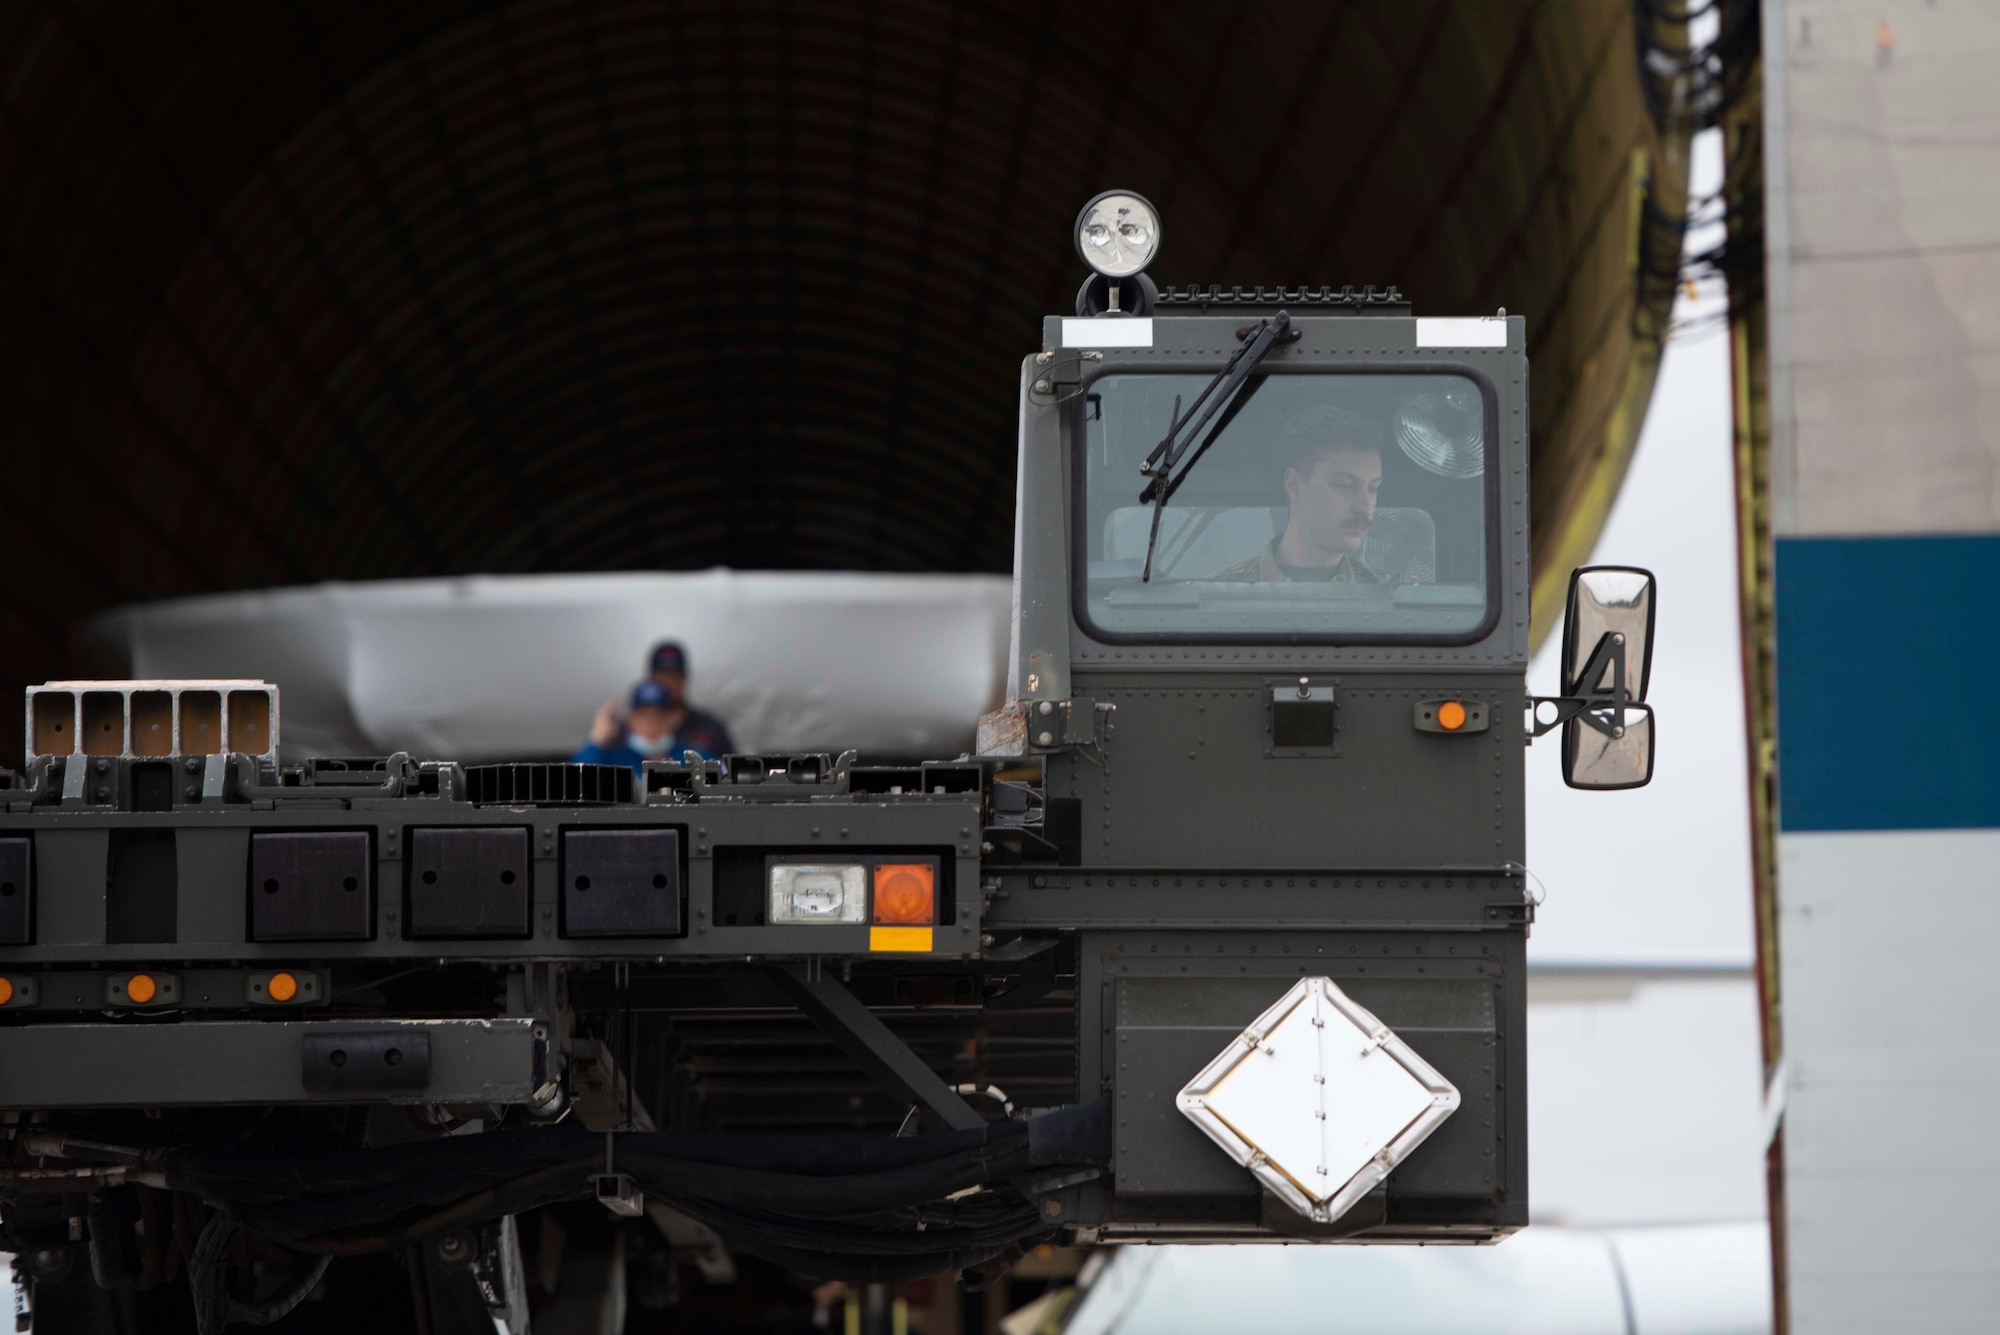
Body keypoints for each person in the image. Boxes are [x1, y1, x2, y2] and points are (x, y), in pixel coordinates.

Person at [1210, 406, 1385, 583]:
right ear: (1294, 486)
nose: (1364, 506)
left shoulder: (1397, 597)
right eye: (1345, 485)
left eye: (1373, 488)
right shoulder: (1220, 594)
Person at [572, 640, 736, 772]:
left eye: (659, 715)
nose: (650, 723)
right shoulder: (613, 760)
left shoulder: (695, 758)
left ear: (673, 719)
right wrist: (597, 738)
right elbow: (573, 786)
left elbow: (730, 782)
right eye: (642, 715)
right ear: (630, 719)